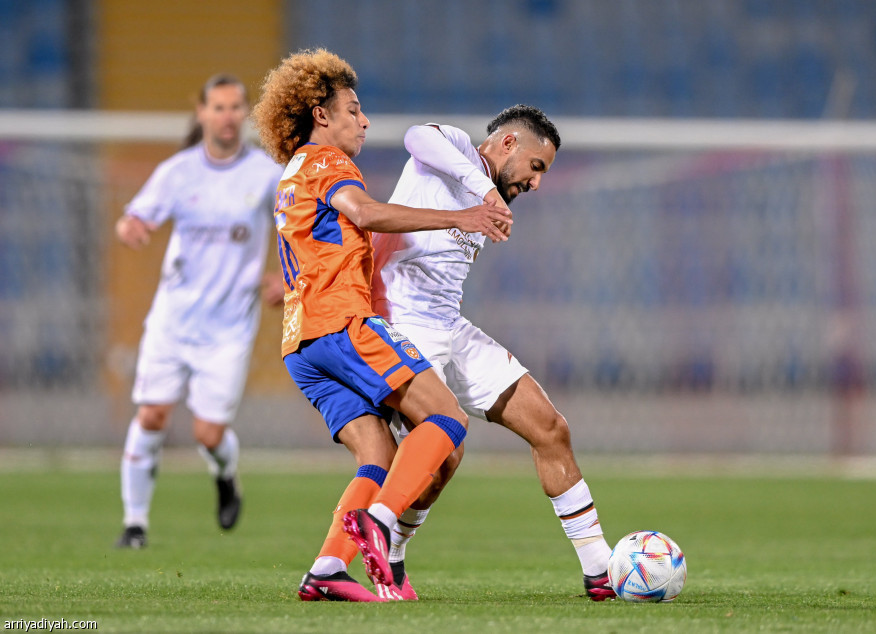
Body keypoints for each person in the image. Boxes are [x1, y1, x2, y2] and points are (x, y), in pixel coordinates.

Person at [251, 48, 513, 602]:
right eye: (352, 109)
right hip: (342, 325)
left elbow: (331, 242)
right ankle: (381, 521)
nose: (364, 120)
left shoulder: (291, 173)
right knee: (446, 418)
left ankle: (326, 570)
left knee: (378, 456)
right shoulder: (328, 162)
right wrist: (462, 216)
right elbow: (364, 212)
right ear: (320, 115)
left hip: (300, 345)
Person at [370, 106, 616, 600]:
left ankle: (602, 571)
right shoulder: (456, 149)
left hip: (448, 326)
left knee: (550, 428)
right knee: (444, 454)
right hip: (399, 323)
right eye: (536, 167)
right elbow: (417, 135)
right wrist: (484, 192)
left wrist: (487, 199)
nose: (536, 184)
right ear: (507, 144)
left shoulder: (492, 200)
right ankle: (389, 552)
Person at [114, 74, 284, 549]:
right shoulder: (178, 171)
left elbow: (301, 228)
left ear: (245, 114)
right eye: (218, 107)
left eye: (235, 108)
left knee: (208, 433)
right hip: (172, 319)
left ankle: (226, 476)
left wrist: (287, 280)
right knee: (151, 415)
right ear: (202, 112)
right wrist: (130, 227)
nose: (227, 117)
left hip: (229, 327)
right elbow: (135, 216)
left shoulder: (266, 174)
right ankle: (134, 525)